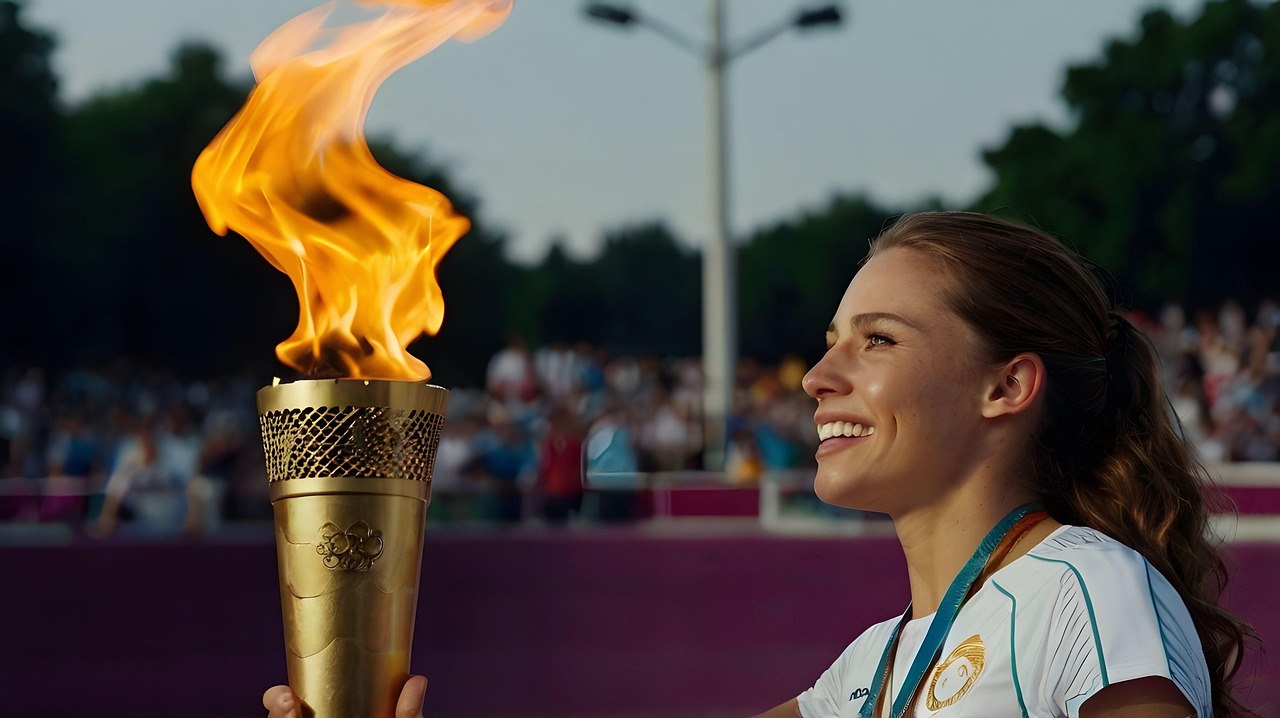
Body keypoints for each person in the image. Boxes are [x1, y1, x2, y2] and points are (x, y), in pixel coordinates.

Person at [264, 211, 1254, 717]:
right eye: (830, 342)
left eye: (877, 340)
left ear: (1007, 385)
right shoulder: (868, 670)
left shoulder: (1082, 589)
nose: (819, 377)